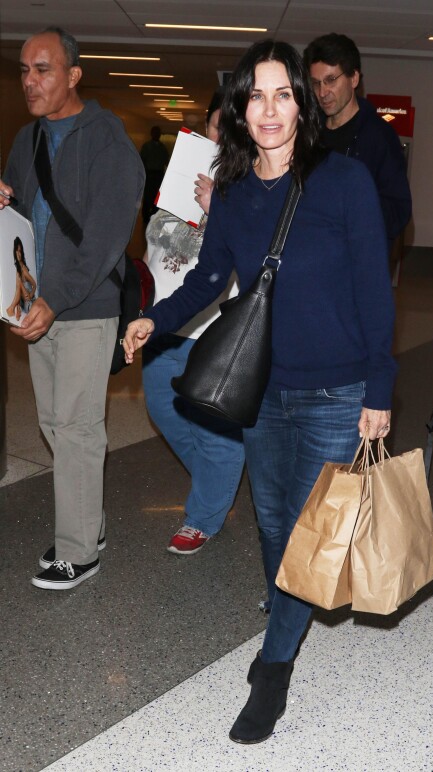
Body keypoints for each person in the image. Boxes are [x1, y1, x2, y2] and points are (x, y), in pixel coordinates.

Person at [123, 39, 396, 743]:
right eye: (256, 96)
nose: (269, 109)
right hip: (263, 391)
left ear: (301, 104)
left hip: (338, 394)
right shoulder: (238, 193)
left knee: (306, 534)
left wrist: (380, 389)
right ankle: (285, 620)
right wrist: (155, 319)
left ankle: (273, 669)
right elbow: (212, 278)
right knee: (274, 528)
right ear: (240, 109)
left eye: (283, 94)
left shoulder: (344, 181)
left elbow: (374, 291)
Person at [0, 27, 144, 590]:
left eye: (43, 69)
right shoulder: (25, 138)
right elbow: (15, 212)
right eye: (23, 70)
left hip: (84, 306)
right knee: (51, 423)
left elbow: (107, 237)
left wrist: (57, 300)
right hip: (37, 305)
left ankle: (80, 552)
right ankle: (90, 522)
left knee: (79, 427)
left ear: (74, 74)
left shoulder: (108, 141)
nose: (30, 81)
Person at [142, 90, 245, 556]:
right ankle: (215, 489)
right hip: (165, 316)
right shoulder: (183, 168)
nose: (221, 136)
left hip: (213, 324)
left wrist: (217, 207)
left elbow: (251, 253)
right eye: (217, 125)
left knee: (212, 426)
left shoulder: (250, 182)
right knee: (163, 408)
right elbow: (156, 236)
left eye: (232, 128)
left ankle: (203, 515)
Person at [303, 32, 411, 254]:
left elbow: (398, 211)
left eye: (331, 80)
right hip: (310, 258)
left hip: (355, 263)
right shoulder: (308, 135)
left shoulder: (379, 137)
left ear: (354, 78)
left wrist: (350, 206)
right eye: (316, 83)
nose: (322, 92)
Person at [140, 125, 169, 225]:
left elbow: (166, 161)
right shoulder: (146, 146)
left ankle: (154, 216)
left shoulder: (163, 148)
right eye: (155, 132)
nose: (157, 135)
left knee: (157, 197)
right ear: (151, 134)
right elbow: (141, 161)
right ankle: (145, 217)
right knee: (148, 197)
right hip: (149, 174)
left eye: (158, 133)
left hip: (159, 175)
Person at [6, 236, 37, 321]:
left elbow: (34, 284)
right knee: (18, 281)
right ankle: (14, 307)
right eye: (16, 251)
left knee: (19, 281)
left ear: (22, 252)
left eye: (20, 251)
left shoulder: (23, 268)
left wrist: (30, 295)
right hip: (24, 302)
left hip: (30, 302)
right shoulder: (18, 268)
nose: (18, 254)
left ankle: (12, 307)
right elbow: (18, 287)